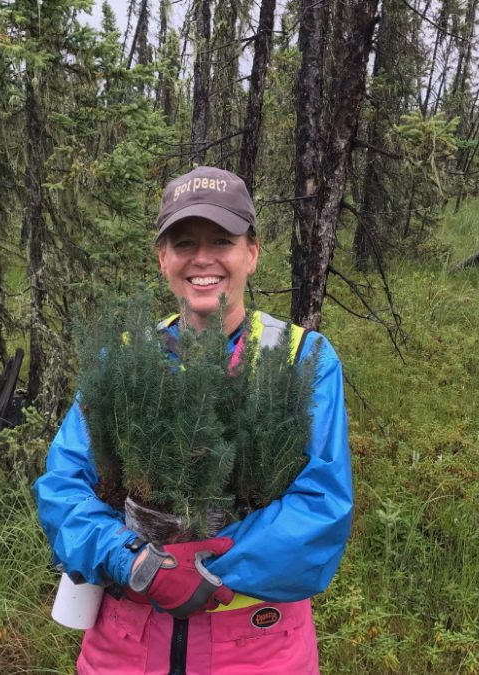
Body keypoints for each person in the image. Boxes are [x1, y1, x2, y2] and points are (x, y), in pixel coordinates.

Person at [33, 166, 353, 674]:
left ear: (252, 252)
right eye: (184, 243)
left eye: (222, 240)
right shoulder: (121, 360)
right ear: (163, 258)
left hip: (256, 650)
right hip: (127, 648)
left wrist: (207, 569)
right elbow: (63, 487)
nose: (202, 258)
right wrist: (134, 561)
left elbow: (321, 508)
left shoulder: (300, 360)